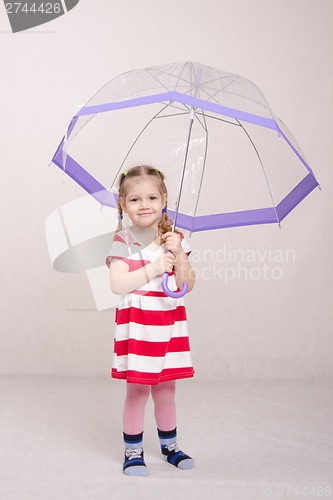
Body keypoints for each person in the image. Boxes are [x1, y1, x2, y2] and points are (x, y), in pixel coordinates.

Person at [106, 165, 196, 476]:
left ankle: (169, 446)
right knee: (138, 390)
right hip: (140, 326)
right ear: (122, 204)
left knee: (166, 390)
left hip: (168, 325)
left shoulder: (173, 238)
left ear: (164, 200)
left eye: (152, 197)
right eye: (135, 200)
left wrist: (179, 255)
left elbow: (188, 283)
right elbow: (117, 285)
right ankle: (133, 451)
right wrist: (156, 266)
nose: (144, 205)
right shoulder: (123, 239)